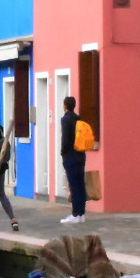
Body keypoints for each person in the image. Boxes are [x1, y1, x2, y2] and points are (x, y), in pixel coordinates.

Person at [60, 96, 88, 225]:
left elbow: (65, 139)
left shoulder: (65, 119)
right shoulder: (79, 119)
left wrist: (63, 153)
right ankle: (81, 213)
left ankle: (75, 214)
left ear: (65, 105)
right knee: (81, 185)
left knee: (73, 186)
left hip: (70, 155)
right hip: (81, 155)